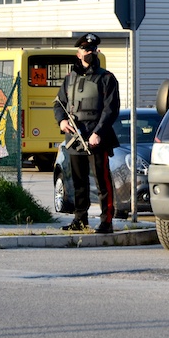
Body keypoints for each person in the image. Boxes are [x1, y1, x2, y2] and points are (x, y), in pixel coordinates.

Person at [54, 33, 121, 234]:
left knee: (102, 182)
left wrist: (98, 132)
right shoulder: (69, 79)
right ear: (78, 53)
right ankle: (80, 220)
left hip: (96, 138)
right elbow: (59, 104)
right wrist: (62, 121)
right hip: (74, 138)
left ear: (96, 51)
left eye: (92, 49)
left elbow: (111, 109)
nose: (89, 52)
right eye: (85, 49)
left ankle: (106, 221)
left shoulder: (107, 78)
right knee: (78, 182)